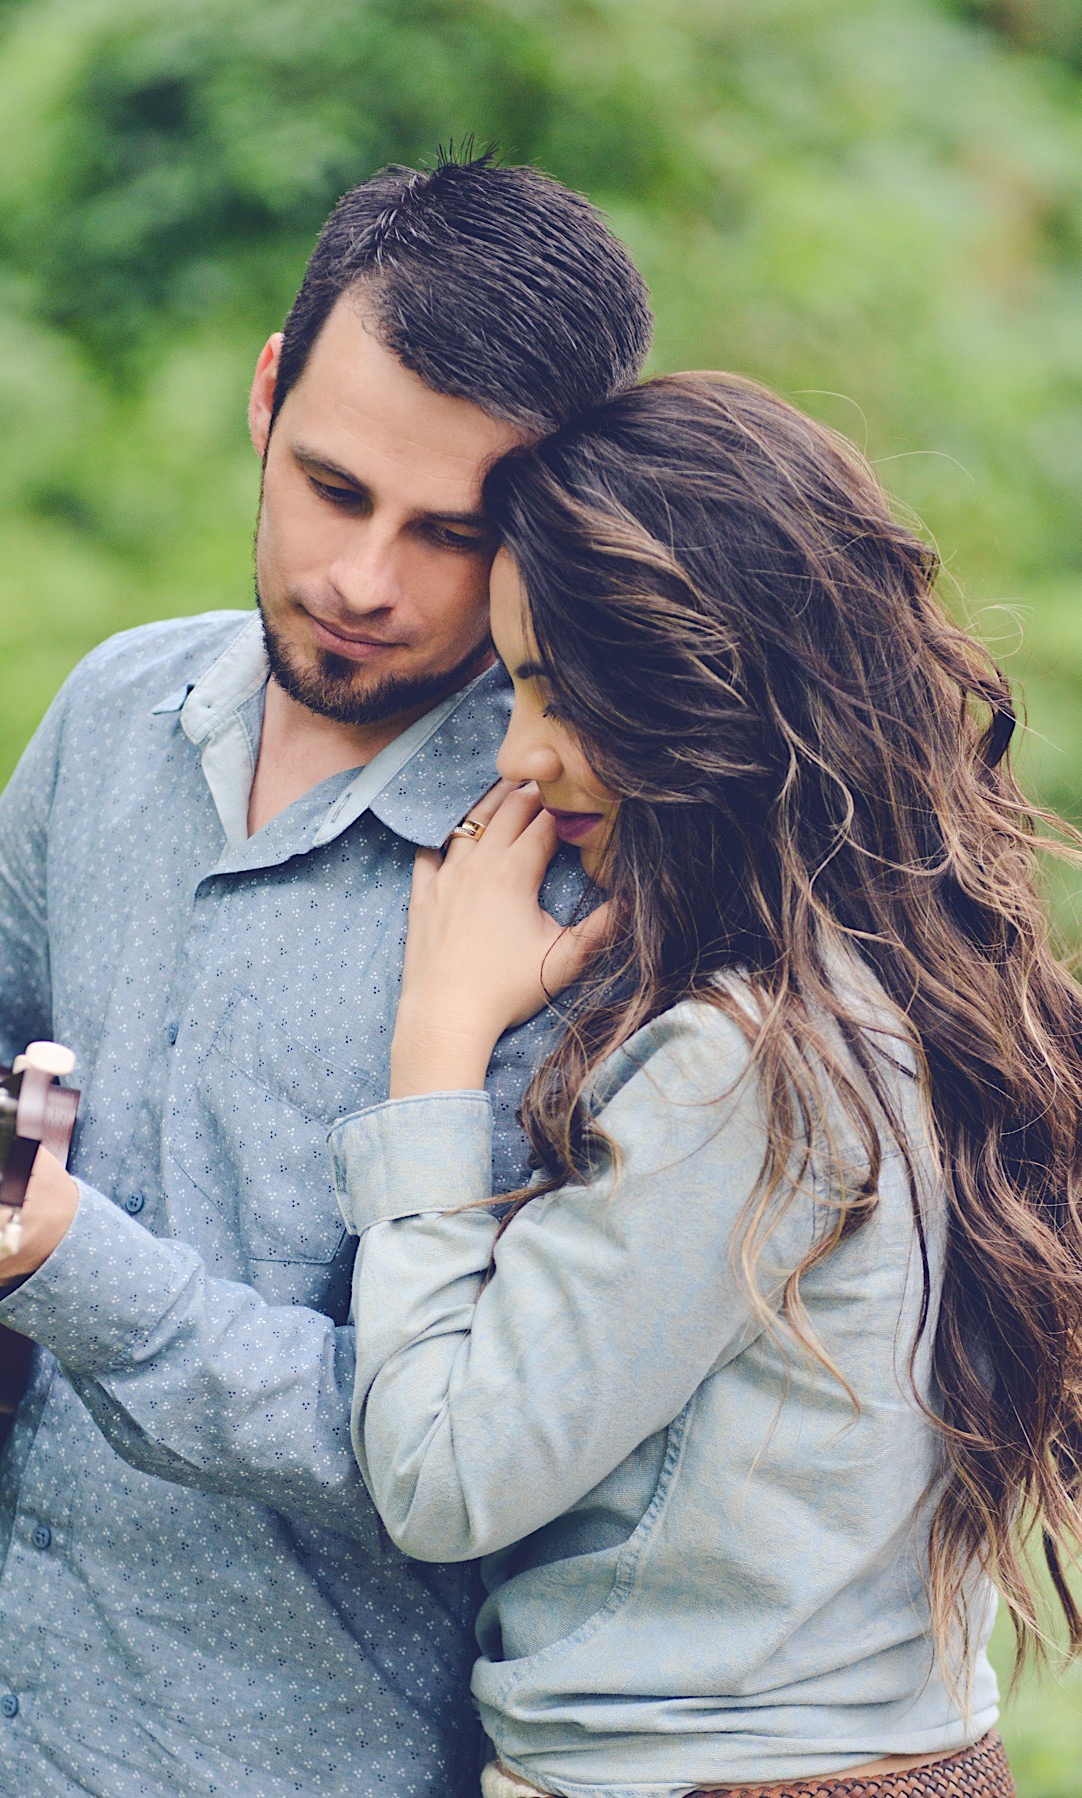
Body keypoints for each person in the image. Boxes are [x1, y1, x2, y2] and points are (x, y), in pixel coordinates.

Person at [0, 152, 652, 1796]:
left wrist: (56, 1257)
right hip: (15, 1733)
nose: (364, 578)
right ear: (265, 398)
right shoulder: (116, 709)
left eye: (454, 530)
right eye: (334, 487)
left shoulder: (592, 897)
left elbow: (451, 1452)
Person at [329, 373, 1082, 1797]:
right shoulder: (927, 981)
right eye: (514, 686)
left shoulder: (748, 1063)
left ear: (709, 683)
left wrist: (434, 1050)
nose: (519, 756)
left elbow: (442, 1474)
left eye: (560, 688)